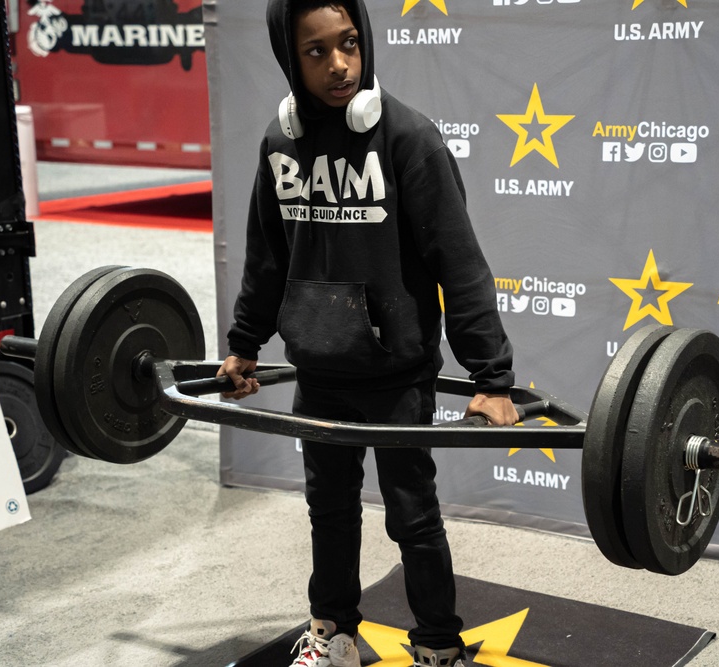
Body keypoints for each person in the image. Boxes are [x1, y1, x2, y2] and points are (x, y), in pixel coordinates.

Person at [217, 0, 518, 664]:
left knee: (412, 516)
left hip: (394, 373)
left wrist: (493, 379)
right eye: (316, 51)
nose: (340, 64)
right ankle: (335, 632)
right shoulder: (280, 143)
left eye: (348, 43)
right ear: (289, 59)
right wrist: (244, 344)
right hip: (320, 369)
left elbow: (460, 265)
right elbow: (269, 258)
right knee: (329, 511)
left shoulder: (409, 140)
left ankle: (438, 644)